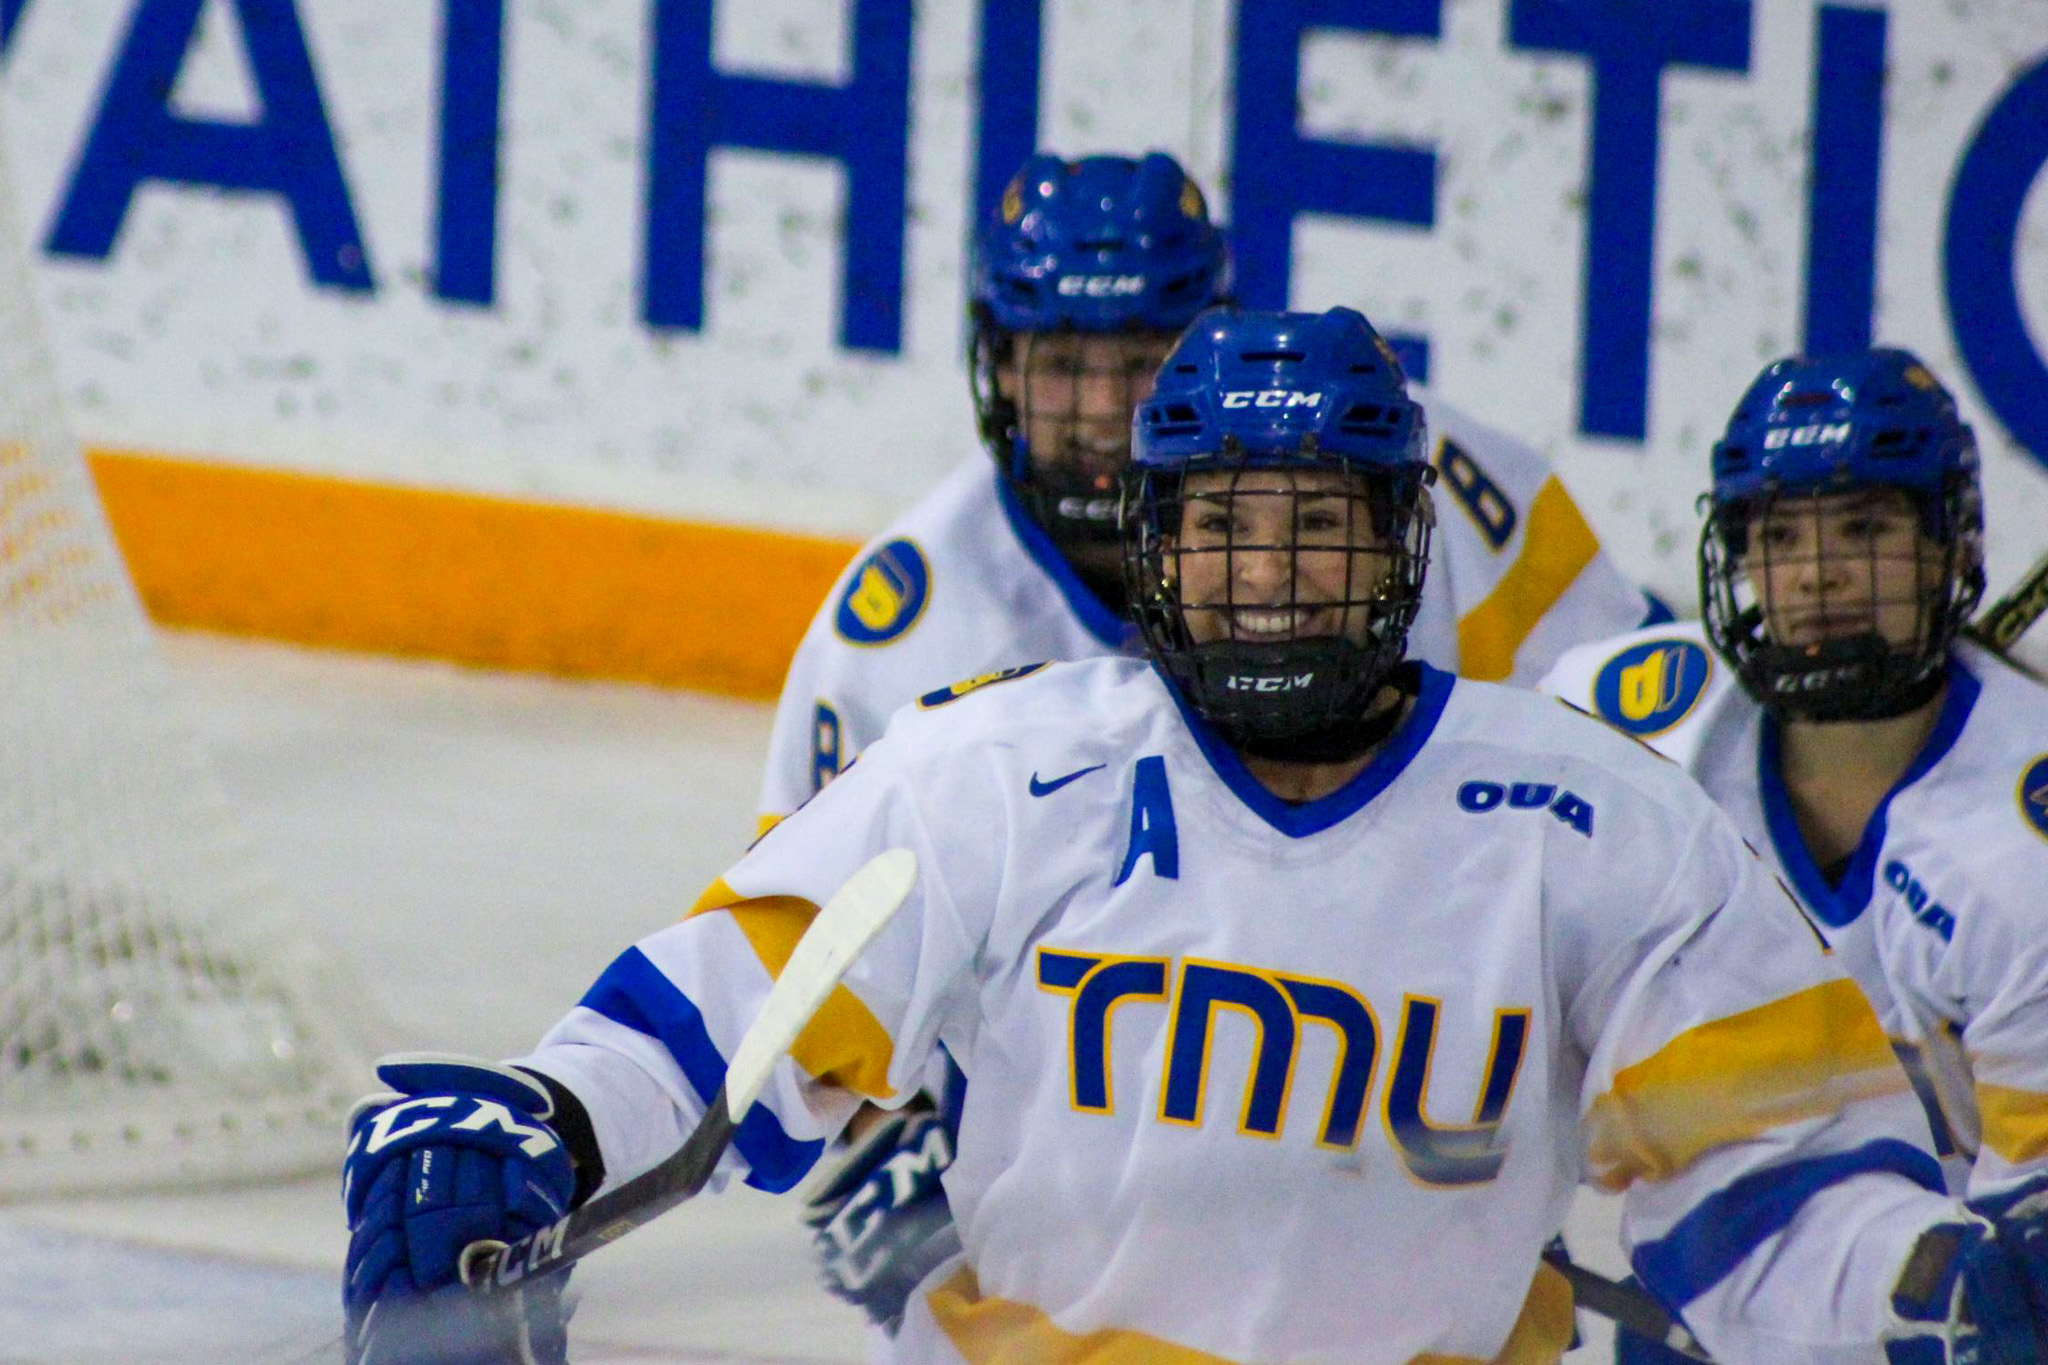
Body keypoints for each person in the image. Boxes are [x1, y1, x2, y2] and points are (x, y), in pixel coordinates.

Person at [342, 312, 2048, 1365]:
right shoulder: (994, 775)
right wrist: (537, 1123)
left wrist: (1933, 1278)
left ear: (1399, 546)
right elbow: (719, 1028)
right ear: (1158, 549)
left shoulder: (1599, 823)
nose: (1271, 575)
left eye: (1315, 527)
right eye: (1224, 529)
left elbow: (1771, 1194)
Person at [756, 150, 1670, 834]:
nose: (1107, 410)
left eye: (1143, 359)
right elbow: (802, 940)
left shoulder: (1408, 468)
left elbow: (1641, 743)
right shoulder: (899, 635)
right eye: (1065, 364)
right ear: (997, 367)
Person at [1538, 348, 2048, 1363]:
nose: (1816, 573)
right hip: (1692, 1286)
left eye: (1863, 528)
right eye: (1777, 535)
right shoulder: (1625, 734)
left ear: (1949, 549)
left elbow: (2020, 1261)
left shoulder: (2018, 849)